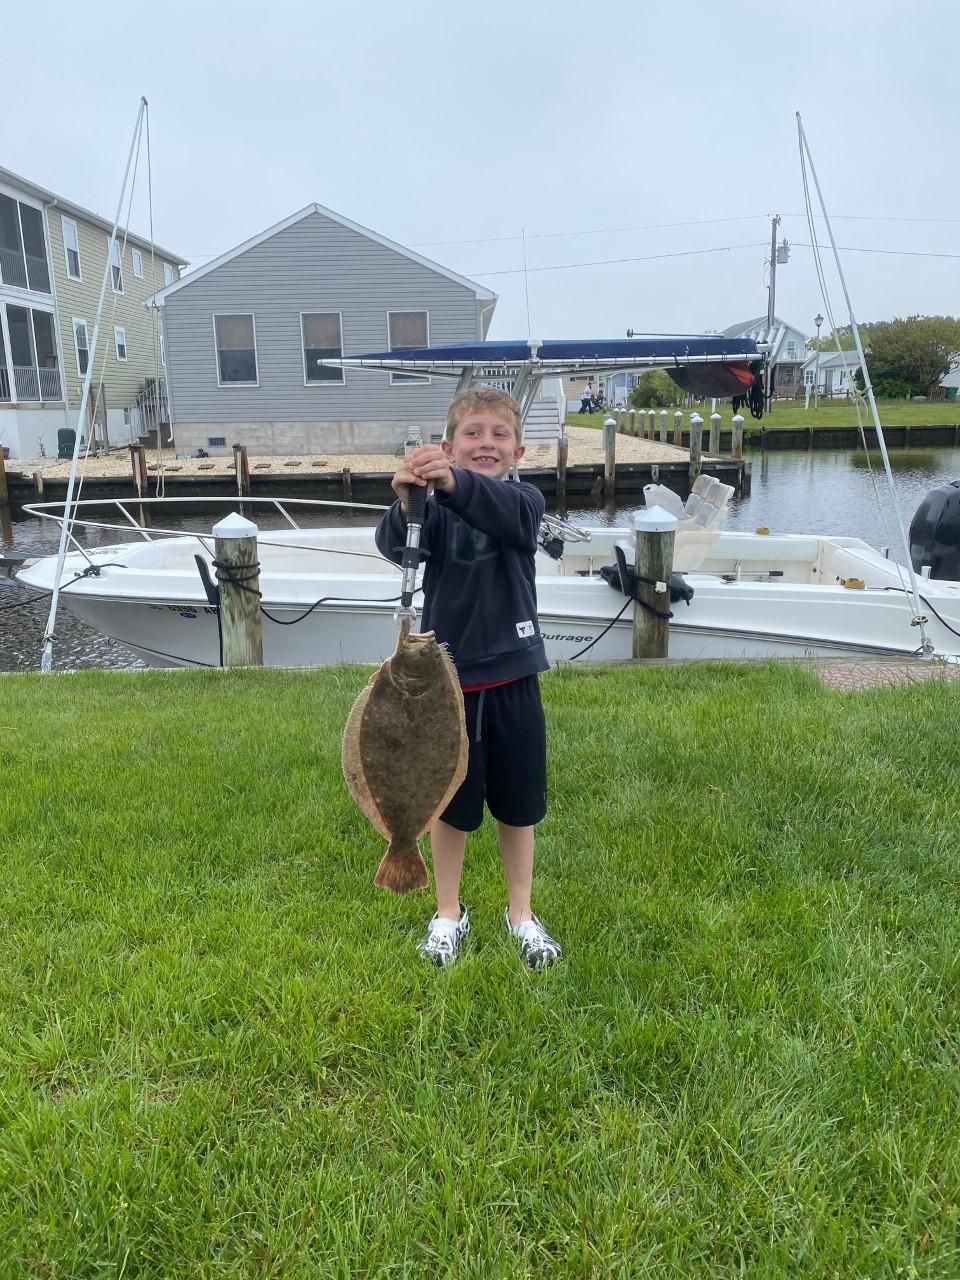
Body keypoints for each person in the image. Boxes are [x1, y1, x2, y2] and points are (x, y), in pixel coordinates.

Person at [375, 387, 562, 970]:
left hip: (515, 677)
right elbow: (394, 546)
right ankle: (448, 912)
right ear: (449, 445)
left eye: (499, 434)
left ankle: (521, 913)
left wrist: (453, 483)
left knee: (518, 805)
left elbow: (502, 512)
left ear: (519, 451)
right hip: (445, 687)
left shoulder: (525, 502)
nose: (486, 443)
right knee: (446, 805)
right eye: (472, 433)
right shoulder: (434, 510)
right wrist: (406, 501)